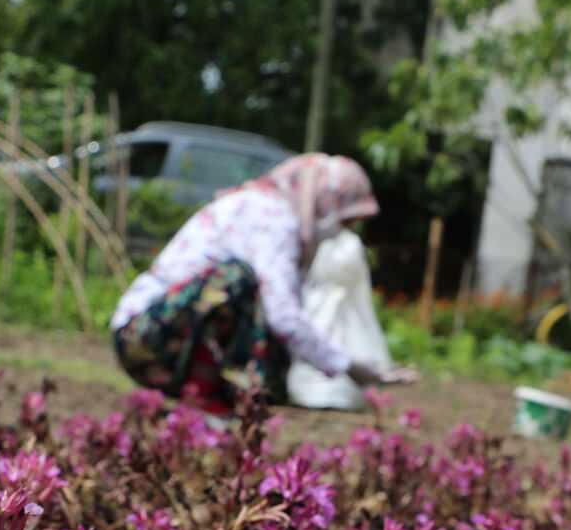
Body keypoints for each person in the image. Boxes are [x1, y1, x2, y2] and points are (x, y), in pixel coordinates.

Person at [110, 153, 411, 415]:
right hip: (143, 334)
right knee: (235, 279)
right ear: (325, 200)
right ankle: (206, 398)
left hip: (163, 338)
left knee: (271, 359)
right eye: (345, 220)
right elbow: (284, 315)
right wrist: (350, 367)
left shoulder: (272, 212)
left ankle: (215, 396)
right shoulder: (272, 217)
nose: (342, 231)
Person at [287, 226, 394, 411]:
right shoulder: (337, 241)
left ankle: (340, 392)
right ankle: (315, 391)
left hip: (333, 299)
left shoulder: (340, 241)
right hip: (325, 299)